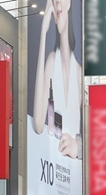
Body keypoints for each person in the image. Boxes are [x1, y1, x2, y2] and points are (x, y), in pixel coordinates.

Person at [32, 0, 83, 159]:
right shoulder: (52, 61)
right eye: (53, 1)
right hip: (53, 167)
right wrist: (43, 33)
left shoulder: (79, 73)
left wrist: (79, 147)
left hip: (74, 175)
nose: (57, 3)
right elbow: (39, 124)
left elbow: (97, 135)